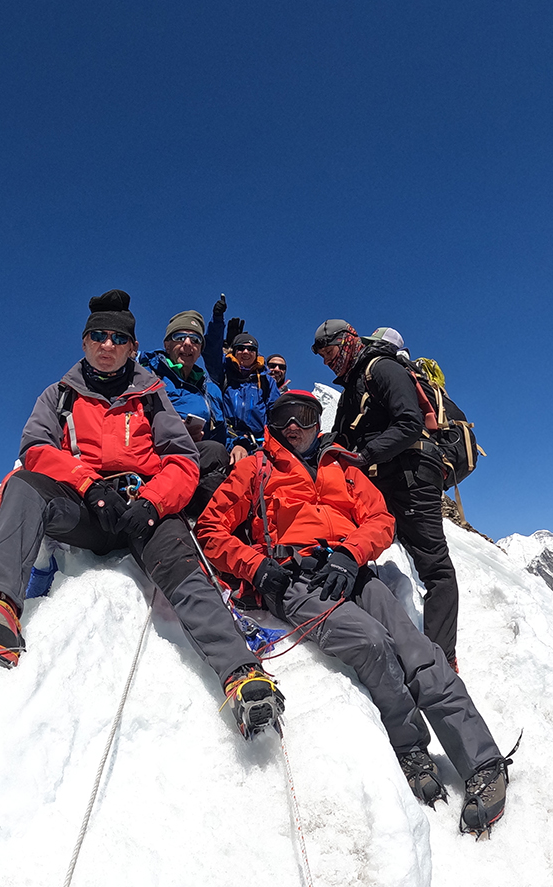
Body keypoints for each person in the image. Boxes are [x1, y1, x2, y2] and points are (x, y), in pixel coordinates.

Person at [0, 289, 284, 739]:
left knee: (182, 564)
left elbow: (182, 459)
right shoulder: (59, 395)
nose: (107, 345)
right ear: (83, 343)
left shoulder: (152, 395)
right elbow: (36, 448)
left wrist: (152, 502)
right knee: (24, 486)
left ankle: (241, 673)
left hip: (145, 510)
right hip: (86, 508)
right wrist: (88, 485)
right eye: (97, 336)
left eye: (117, 338)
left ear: (132, 347)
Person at [196, 391, 512, 836]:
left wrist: (351, 553)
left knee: (417, 650)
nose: (293, 426)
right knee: (369, 642)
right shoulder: (256, 468)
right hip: (293, 579)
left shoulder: (342, 467)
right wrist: (256, 566)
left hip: (352, 571)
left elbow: (380, 519)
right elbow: (211, 529)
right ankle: (410, 747)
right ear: (272, 424)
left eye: (303, 416)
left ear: (317, 422)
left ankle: (483, 761)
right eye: (283, 418)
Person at [312, 319, 463, 668]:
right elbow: (346, 436)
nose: (327, 361)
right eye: (322, 357)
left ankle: (442, 658)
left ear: (347, 341)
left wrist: (364, 456)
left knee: (435, 568)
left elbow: (410, 424)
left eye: (329, 352)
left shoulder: (382, 368)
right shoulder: (354, 385)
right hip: (383, 478)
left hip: (412, 475)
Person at [138, 309, 232, 518]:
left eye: (195, 339)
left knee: (225, 457)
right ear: (167, 344)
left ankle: (206, 524)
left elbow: (220, 434)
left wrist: (240, 447)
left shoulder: (210, 388)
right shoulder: (146, 374)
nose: (188, 343)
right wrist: (171, 430)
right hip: (152, 452)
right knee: (214, 453)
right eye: (180, 337)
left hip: (193, 455)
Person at [204, 295, 280, 463]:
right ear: (234, 351)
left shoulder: (266, 381)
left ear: (257, 353)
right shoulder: (223, 374)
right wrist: (217, 320)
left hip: (259, 445)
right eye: (241, 348)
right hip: (227, 441)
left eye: (250, 348)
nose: (246, 352)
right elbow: (210, 352)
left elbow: (276, 413)